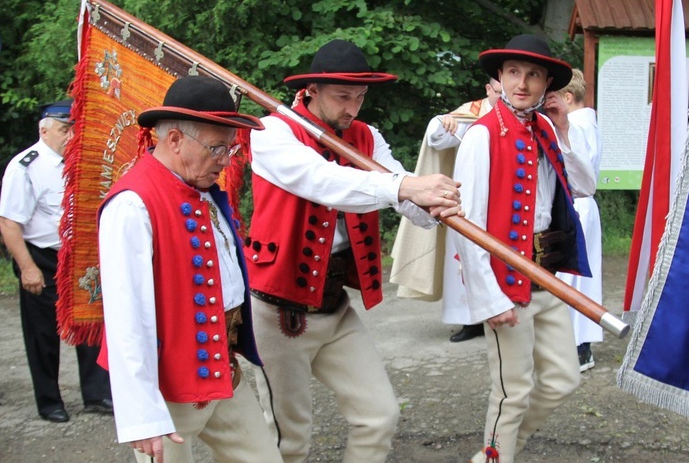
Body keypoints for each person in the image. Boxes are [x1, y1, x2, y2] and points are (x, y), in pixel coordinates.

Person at [246, 39, 463, 463]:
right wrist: (404, 186)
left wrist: (434, 207)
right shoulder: (272, 132)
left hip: (335, 307)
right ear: (311, 89)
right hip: (278, 311)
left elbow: (400, 191)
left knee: (378, 416)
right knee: (289, 440)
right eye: (343, 97)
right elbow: (324, 182)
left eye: (360, 97)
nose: (353, 108)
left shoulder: (367, 136)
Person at [97, 77, 283, 463]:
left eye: (230, 148)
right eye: (217, 147)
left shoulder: (203, 189)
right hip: (168, 390)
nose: (226, 159)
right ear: (175, 140)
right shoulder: (133, 204)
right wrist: (142, 416)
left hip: (220, 371)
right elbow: (126, 316)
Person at [454, 35, 596, 463]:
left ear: (547, 83)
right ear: (499, 77)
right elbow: (467, 224)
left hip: (548, 278)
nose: (522, 82)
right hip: (506, 283)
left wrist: (565, 129)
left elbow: (584, 186)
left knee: (562, 379)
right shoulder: (481, 136)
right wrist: (488, 299)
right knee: (511, 392)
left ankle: (494, 451)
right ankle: (499, 455)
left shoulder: (548, 127)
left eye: (533, 74)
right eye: (514, 72)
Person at [0, 99, 113, 423]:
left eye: (74, 129)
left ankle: (96, 393)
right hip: (42, 257)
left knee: (89, 322)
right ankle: (49, 400)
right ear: (44, 130)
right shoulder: (25, 166)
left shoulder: (80, 163)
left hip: (78, 257)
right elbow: (9, 222)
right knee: (42, 333)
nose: (70, 136)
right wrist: (27, 267)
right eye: (65, 129)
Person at [390, 78, 503, 343]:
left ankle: (500, 312)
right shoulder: (473, 112)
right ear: (488, 89)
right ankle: (468, 319)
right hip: (466, 201)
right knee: (460, 259)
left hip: (498, 200)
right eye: (498, 92)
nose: (503, 97)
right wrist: (441, 121)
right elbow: (437, 137)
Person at [555, 68, 603, 372]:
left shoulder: (575, 126)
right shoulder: (587, 123)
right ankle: (575, 344)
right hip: (582, 207)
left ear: (567, 97)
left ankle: (576, 345)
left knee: (570, 277)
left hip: (576, 205)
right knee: (579, 277)